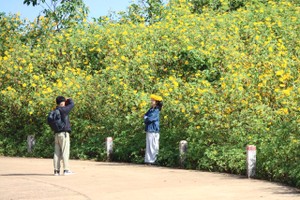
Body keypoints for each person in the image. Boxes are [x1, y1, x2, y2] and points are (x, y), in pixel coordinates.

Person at [53, 96, 75, 176]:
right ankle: (66, 170)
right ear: (62, 103)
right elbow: (72, 104)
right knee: (65, 152)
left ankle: (56, 171)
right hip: (64, 134)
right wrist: (68, 99)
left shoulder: (56, 110)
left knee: (56, 153)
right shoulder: (64, 110)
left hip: (56, 134)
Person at [144, 94, 163, 164]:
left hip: (153, 130)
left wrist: (146, 119)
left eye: (153, 100)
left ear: (156, 102)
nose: (151, 101)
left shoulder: (156, 110)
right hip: (149, 129)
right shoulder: (151, 109)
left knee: (153, 145)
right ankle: (148, 160)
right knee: (148, 145)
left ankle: (153, 160)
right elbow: (145, 116)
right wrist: (146, 118)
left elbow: (149, 119)